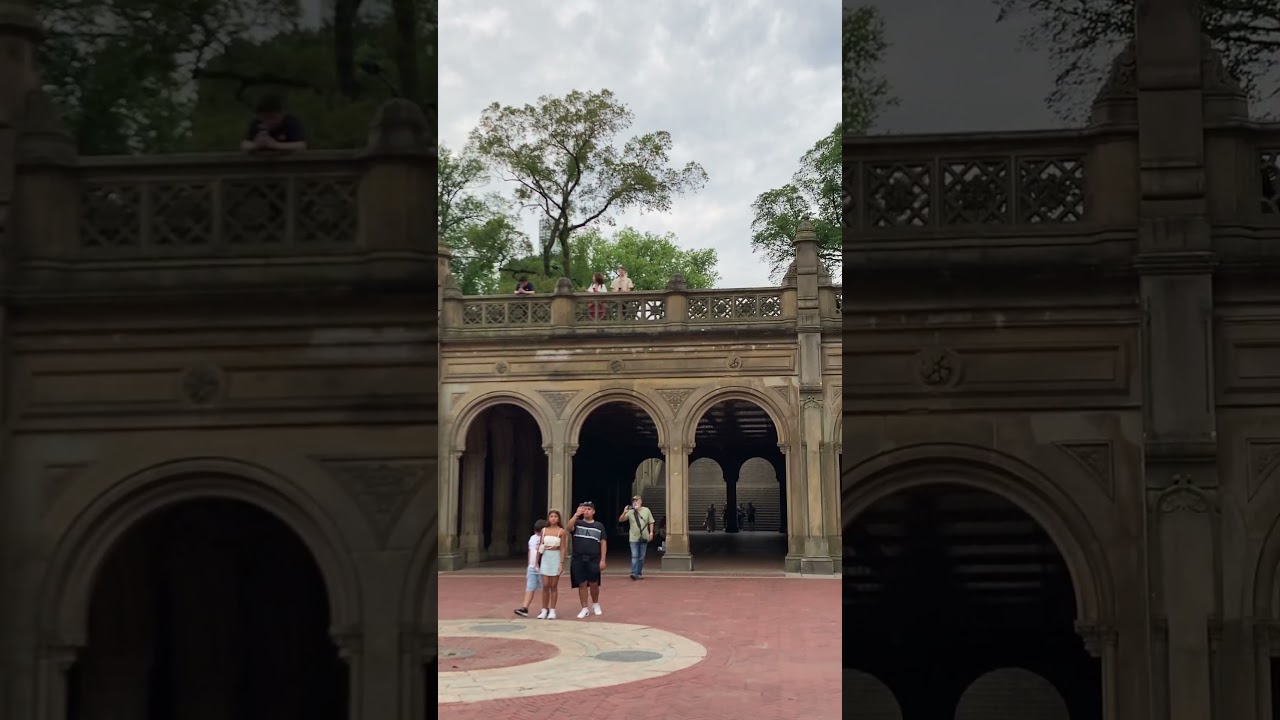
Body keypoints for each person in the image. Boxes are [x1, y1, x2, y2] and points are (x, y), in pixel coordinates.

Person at [566, 501, 607, 618]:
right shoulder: (577, 523)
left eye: (589, 509)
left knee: (594, 583)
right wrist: (576, 515)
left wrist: (603, 560)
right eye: (585, 509)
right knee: (582, 583)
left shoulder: (599, 526)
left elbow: (603, 542)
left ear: (593, 511)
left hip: (594, 558)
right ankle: (584, 608)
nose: (586, 511)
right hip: (578, 557)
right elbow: (568, 528)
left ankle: (595, 604)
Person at [240, 94, 307, 153]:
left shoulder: (291, 122)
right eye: (265, 118)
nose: (269, 121)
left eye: (273, 117)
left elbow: (301, 145)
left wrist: (275, 145)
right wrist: (256, 145)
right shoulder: (256, 122)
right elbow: (244, 144)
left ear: (281, 114)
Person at [536, 510, 566, 619]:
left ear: (558, 519)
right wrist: (536, 562)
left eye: (555, 516)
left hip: (556, 557)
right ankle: (544, 609)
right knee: (545, 585)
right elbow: (540, 546)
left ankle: (552, 610)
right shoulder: (544, 530)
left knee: (553, 586)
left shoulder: (562, 532)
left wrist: (562, 563)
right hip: (546, 558)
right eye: (551, 516)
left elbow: (563, 548)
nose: (553, 518)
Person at [515, 519, 548, 617]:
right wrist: (530, 565)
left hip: (543, 567)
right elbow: (530, 551)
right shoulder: (532, 538)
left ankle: (545, 608)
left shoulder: (546, 539)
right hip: (532, 567)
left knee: (545, 589)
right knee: (529, 587)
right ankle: (525, 607)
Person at [618, 495, 655, 580]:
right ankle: (634, 573)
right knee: (635, 555)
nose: (635, 502)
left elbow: (651, 522)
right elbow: (621, 520)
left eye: (637, 501)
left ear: (641, 501)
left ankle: (638, 573)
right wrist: (624, 512)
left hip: (644, 536)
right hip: (633, 537)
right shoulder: (630, 512)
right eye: (634, 501)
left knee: (641, 556)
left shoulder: (646, 510)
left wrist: (651, 532)